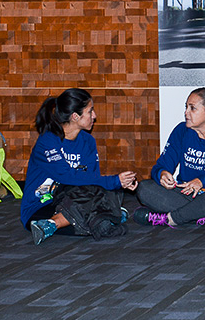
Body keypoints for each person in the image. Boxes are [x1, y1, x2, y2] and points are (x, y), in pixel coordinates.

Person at [21, 88, 138, 245]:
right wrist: (114, 181)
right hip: (41, 208)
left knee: (102, 192)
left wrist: (121, 183)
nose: (94, 116)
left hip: (74, 201)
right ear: (75, 116)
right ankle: (56, 222)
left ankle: (52, 225)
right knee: (97, 214)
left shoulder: (88, 141)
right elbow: (67, 176)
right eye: (90, 111)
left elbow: (91, 180)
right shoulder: (47, 141)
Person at [135, 87, 205, 227]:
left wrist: (202, 181)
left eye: (192, 108)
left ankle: (172, 218)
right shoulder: (181, 131)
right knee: (145, 188)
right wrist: (162, 174)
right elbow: (161, 166)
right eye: (186, 107)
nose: (186, 112)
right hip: (185, 194)